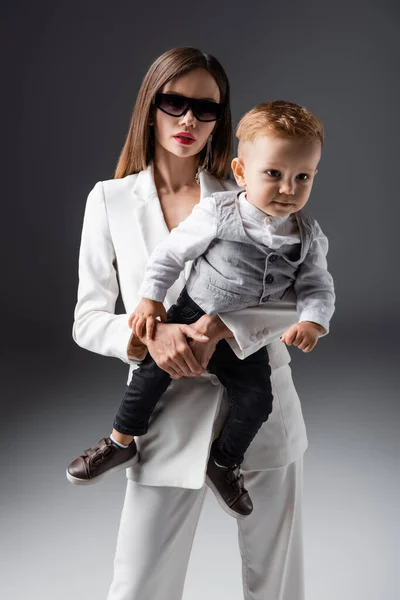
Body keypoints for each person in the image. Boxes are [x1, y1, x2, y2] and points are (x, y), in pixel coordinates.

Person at [71, 47, 310, 599]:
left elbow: (296, 296)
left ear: (221, 120)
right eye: (173, 103)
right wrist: (153, 337)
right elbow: (86, 320)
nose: (188, 121)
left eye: (205, 109)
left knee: (278, 584)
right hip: (162, 412)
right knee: (138, 586)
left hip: (258, 410)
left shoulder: (251, 190)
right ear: (149, 107)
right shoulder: (109, 200)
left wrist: (223, 327)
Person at [67, 100, 335, 522]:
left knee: (257, 399)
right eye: (274, 175)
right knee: (149, 375)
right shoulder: (219, 211)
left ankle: (225, 462)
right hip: (193, 311)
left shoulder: (307, 235)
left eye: (302, 177)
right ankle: (121, 441)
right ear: (241, 172)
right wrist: (152, 300)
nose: (288, 189)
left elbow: (316, 285)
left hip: (248, 342)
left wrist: (313, 320)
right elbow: (170, 255)